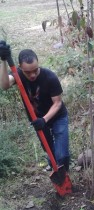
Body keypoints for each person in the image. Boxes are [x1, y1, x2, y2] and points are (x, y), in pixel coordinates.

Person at [0, 41, 70, 171]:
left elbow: (58, 103)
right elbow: (4, 86)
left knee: (62, 155)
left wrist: (44, 119)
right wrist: (3, 61)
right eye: (28, 72)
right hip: (37, 119)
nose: (32, 75)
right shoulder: (18, 74)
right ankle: (54, 166)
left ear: (38, 64)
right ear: (20, 67)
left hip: (57, 117)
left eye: (35, 70)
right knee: (48, 148)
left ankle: (64, 172)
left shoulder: (50, 77)